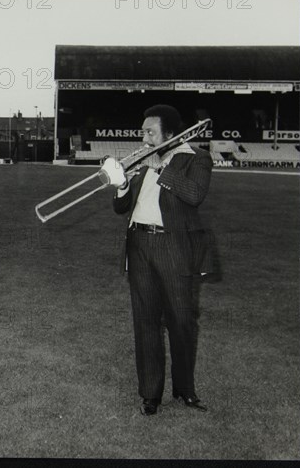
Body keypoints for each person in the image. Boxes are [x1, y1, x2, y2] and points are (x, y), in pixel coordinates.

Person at [112, 104, 215, 416]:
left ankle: (184, 390)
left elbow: (195, 194)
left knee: (181, 322)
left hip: (174, 246)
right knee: (145, 322)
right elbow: (122, 207)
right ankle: (150, 395)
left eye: (150, 132)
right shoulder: (146, 158)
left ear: (170, 133)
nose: (144, 137)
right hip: (139, 244)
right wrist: (122, 184)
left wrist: (160, 166)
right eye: (143, 131)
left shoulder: (196, 158)